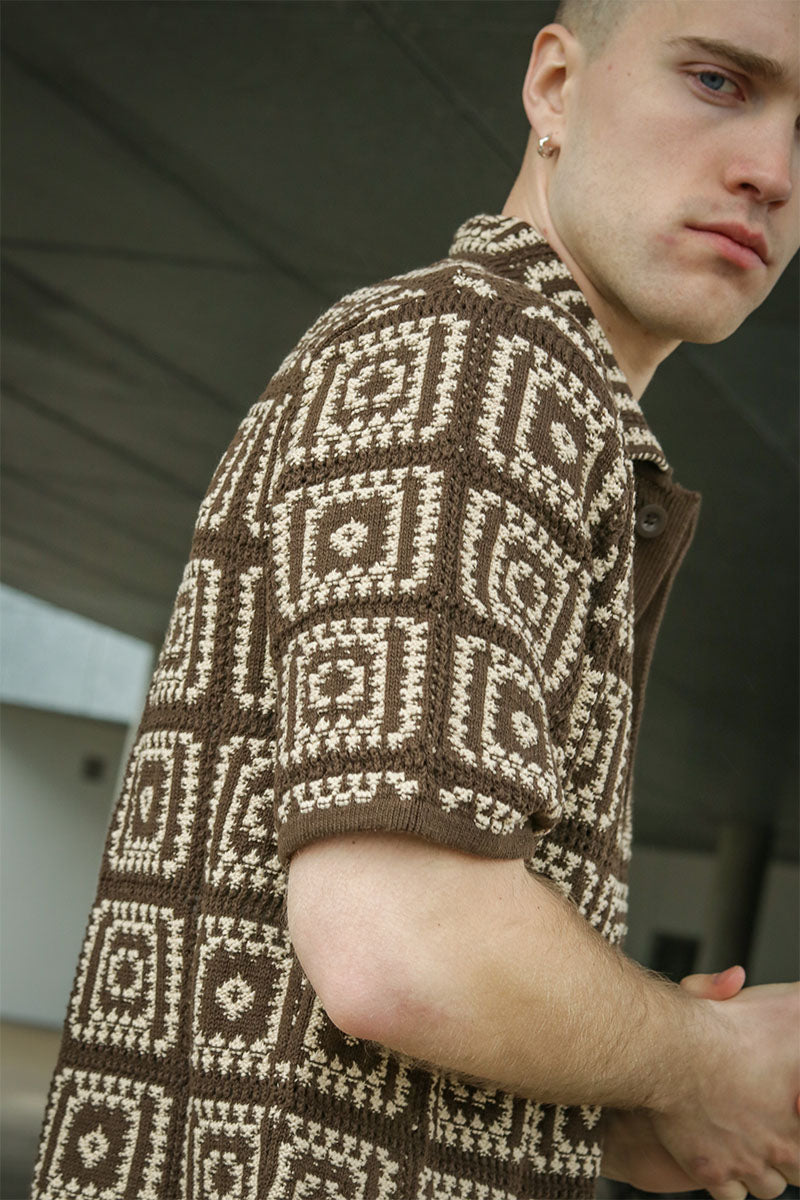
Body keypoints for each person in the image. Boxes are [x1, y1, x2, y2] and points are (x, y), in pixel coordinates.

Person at [31, 1, 799, 1199]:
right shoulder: (479, 365)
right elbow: (401, 948)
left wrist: (607, 1106)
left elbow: (312, 985)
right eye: (716, 82)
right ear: (553, 86)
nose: (769, 172)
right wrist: (698, 1058)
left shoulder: (519, 384)